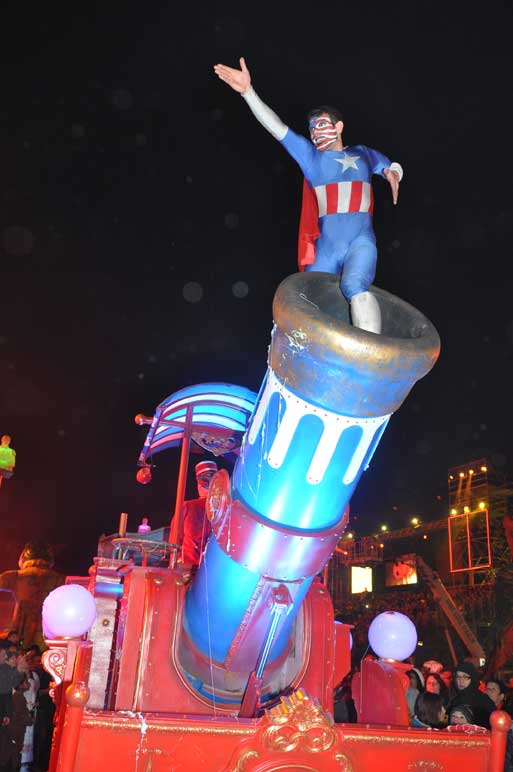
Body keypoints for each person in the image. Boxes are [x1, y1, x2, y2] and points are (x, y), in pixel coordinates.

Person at [214, 58, 403, 334]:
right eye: (312, 128)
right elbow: (277, 128)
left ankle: (368, 350)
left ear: (339, 127)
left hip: (360, 242)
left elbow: (389, 165)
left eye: (321, 124)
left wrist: (394, 173)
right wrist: (248, 93)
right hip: (326, 248)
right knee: (306, 298)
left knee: (355, 286)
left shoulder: (361, 153)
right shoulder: (312, 159)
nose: (315, 132)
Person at [0, 542, 64, 650]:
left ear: (24, 556)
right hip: (47, 639)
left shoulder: (16, 576)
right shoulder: (60, 579)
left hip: (20, 636)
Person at [181, 461, 218, 570]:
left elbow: (174, 539)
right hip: (213, 567)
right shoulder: (225, 509)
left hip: (189, 566)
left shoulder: (188, 506)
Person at [447, 661, 495, 729]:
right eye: (458, 677)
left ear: (472, 678)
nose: (461, 680)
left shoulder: (483, 700)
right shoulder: (455, 700)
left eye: (465, 677)